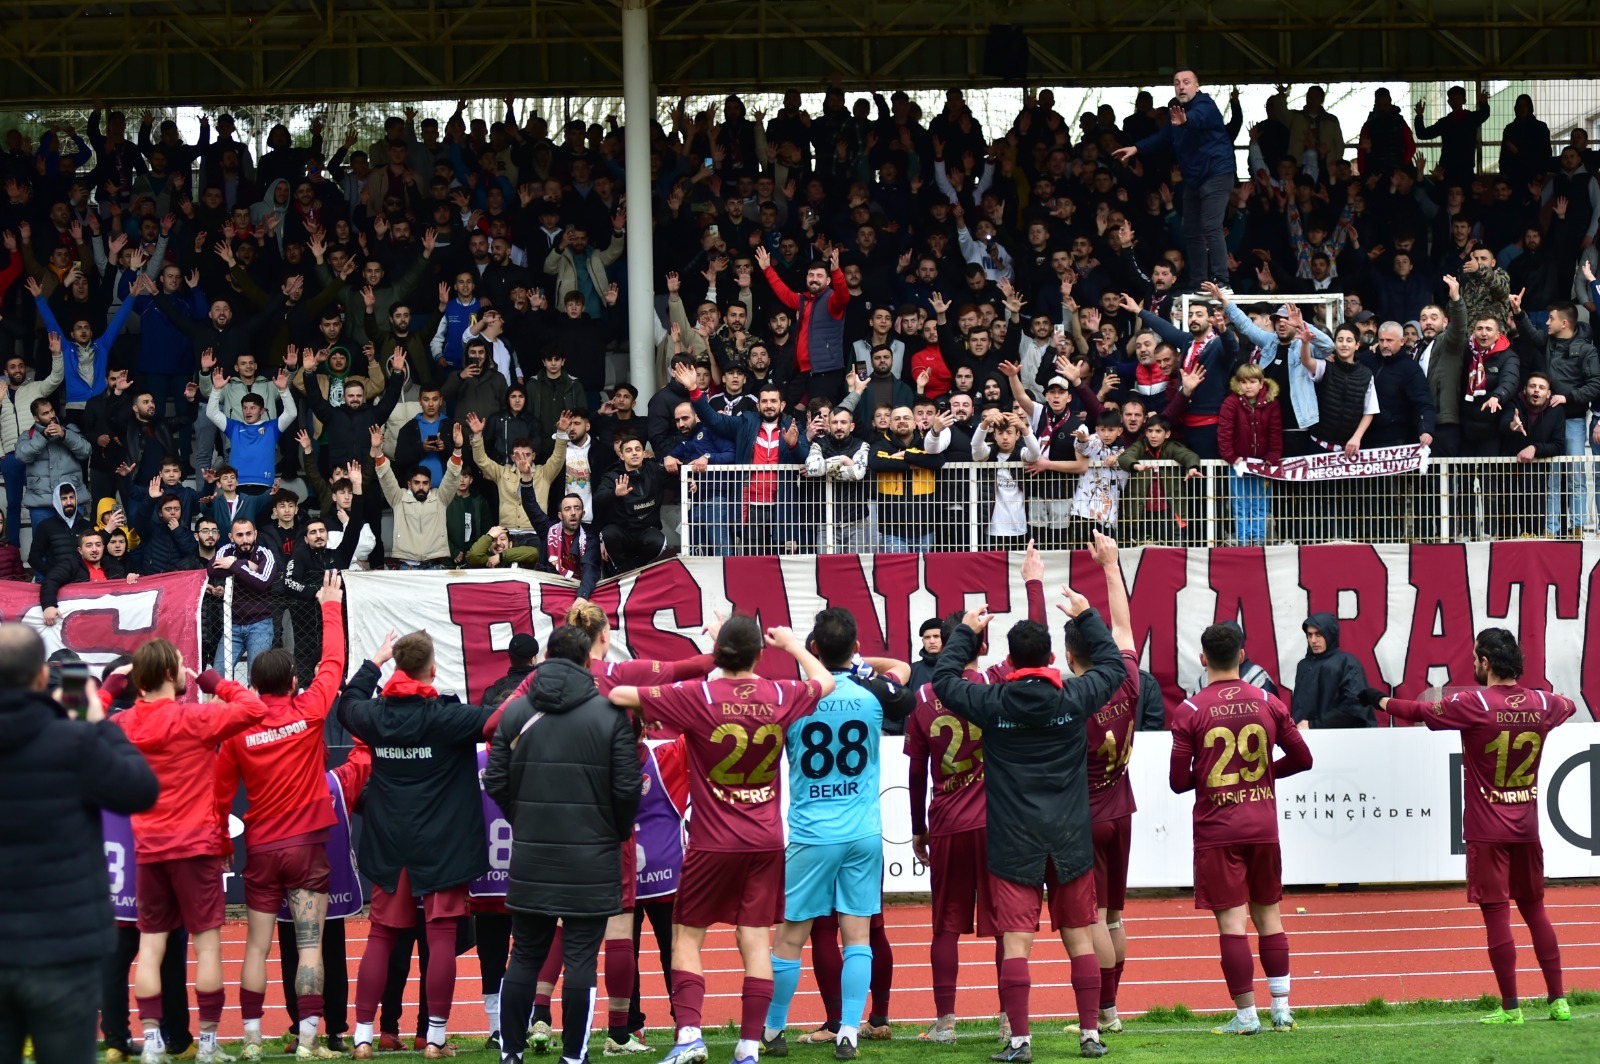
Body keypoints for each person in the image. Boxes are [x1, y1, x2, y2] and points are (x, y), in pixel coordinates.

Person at [609, 618, 836, 1064]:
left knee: (686, 936)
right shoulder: (780, 694)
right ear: (759, 655)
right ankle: (749, 1045)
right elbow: (824, 681)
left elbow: (620, 695)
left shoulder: (700, 695)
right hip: (765, 839)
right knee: (754, 939)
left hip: (713, 840)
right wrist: (792, 645)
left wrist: (699, 662)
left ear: (719, 656)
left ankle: (690, 1035)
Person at [930, 580, 1131, 1061]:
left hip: (1013, 837)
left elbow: (943, 681)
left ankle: (1020, 1041)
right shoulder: (1074, 696)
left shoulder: (993, 701)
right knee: (1079, 937)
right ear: (1052, 657)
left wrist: (966, 632)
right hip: (1069, 834)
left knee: (1017, 942)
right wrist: (1086, 616)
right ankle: (1090, 1035)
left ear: (1010, 661)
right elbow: (1115, 667)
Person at [1361, 628, 1574, 1024]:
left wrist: (1377, 699)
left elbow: (1419, 712)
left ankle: (1511, 1008)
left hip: (1486, 829)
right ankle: (1559, 1001)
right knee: (1535, 911)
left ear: (1486, 663)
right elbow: (1568, 706)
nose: (1474, 664)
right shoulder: (1544, 703)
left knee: (1497, 915)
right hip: (1526, 827)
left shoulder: (1474, 703)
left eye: (1476, 658)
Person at [0, 624, 159, 1064]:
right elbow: (140, 789)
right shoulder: (74, 741)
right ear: (40, 677)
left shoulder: (69, 741)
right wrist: (96, 722)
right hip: (63, 945)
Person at [485, 624, 644, 1064]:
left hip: (533, 852)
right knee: (580, 960)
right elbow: (628, 788)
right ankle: (574, 1056)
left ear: (544, 658)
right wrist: (613, 830)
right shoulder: (609, 713)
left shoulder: (516, 712)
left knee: (524, 955)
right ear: (588, 660)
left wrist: (523, 819)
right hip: (592, 856)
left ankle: (511, 1052)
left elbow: (495, 780)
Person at [761, 610, 912, 1061]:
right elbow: (901, 672)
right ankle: (848, 1030)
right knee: (858, 935)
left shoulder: (793, 698)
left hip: (812, 832)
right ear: (856, 648)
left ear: (812, 649)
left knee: (791, 936)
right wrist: (860, 663)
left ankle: (773, 1029)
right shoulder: (871, 695)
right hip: (863, 832)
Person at [110, 638, 271, 1064]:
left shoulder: (124, 723)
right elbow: (255, 709)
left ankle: (152, 1044)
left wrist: (109, 688)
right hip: (196, 846)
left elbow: (79, 724)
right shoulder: (195, 718)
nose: (187, 670)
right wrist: (216, 682)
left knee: (150, 947)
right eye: (182, 664)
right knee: (208, 947)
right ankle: (209, 1045)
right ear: (168, 673)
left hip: (150, 847)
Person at [337, 629, 496, 1059]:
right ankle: (435, 1039)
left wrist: (374, 662)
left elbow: (347, 703)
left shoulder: (375, 715)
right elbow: (501, 718)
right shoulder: (447, 717)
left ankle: (363, 1036)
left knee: (381, 935)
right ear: (432, 669)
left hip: (391, 842)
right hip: (442, 844)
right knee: (441, 937)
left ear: (398, 666)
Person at [213, 573, 348, 1061]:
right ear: (293, 682)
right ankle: (309, 1041)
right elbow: (333, 663)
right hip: (306, 847)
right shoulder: (309, 711)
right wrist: (329, 607)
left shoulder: (237, 730)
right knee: (310, 945)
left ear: (253, 685)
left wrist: (222, 842)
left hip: (262, 848)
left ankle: (251, 1039)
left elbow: (219, 795)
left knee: (256, 947)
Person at [1169, 622, 1313, 1035]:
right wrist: (1264, 774)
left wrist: (1213, 779)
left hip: (1218, 830)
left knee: (1232, 925)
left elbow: (1178, 782)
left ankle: (1247, 1016)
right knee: (1269, 916)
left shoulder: (1190, 710)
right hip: (1261, 825)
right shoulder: (1268, 701)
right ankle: (1282, 1010)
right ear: (1242, 656)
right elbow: (1303, 759)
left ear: (1203, 659)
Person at [1064, 535, 1144, 1039]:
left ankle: (1104, 1013)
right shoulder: (1128, 679)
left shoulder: (1072, 700)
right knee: (1114, 916)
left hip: (1086, 817)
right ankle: (1113, 1009)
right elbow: (1124, 628)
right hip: (1121, 809)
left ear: (1070, 656)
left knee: (1091, 917)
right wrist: (1111, 566)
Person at [1115, 70, 1236, 289]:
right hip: (1194, 179)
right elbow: (1162, 137)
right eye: (1177, 82)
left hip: (1217, 173)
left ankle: (1222, 281)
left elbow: (1199, 117)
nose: (1181, 86)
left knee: (1210, 225)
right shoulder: (1176, 114)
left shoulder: (1205, 105)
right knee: (1191, 230)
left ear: (1196, 86)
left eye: (1186, 82)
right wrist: (1136, 148)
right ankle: (1200, 281)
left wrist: (1186, 120)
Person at [1290, 614, 1372, 729]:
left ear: (1330, 634)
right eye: (1310, 635)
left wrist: (1314, 725)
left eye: (1318, 634)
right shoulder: (1303, 666)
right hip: (1304, 736)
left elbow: (1354, 708)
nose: (1313, 640)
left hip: (1341, 736)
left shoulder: (1347, 663)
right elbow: (1299, 709)